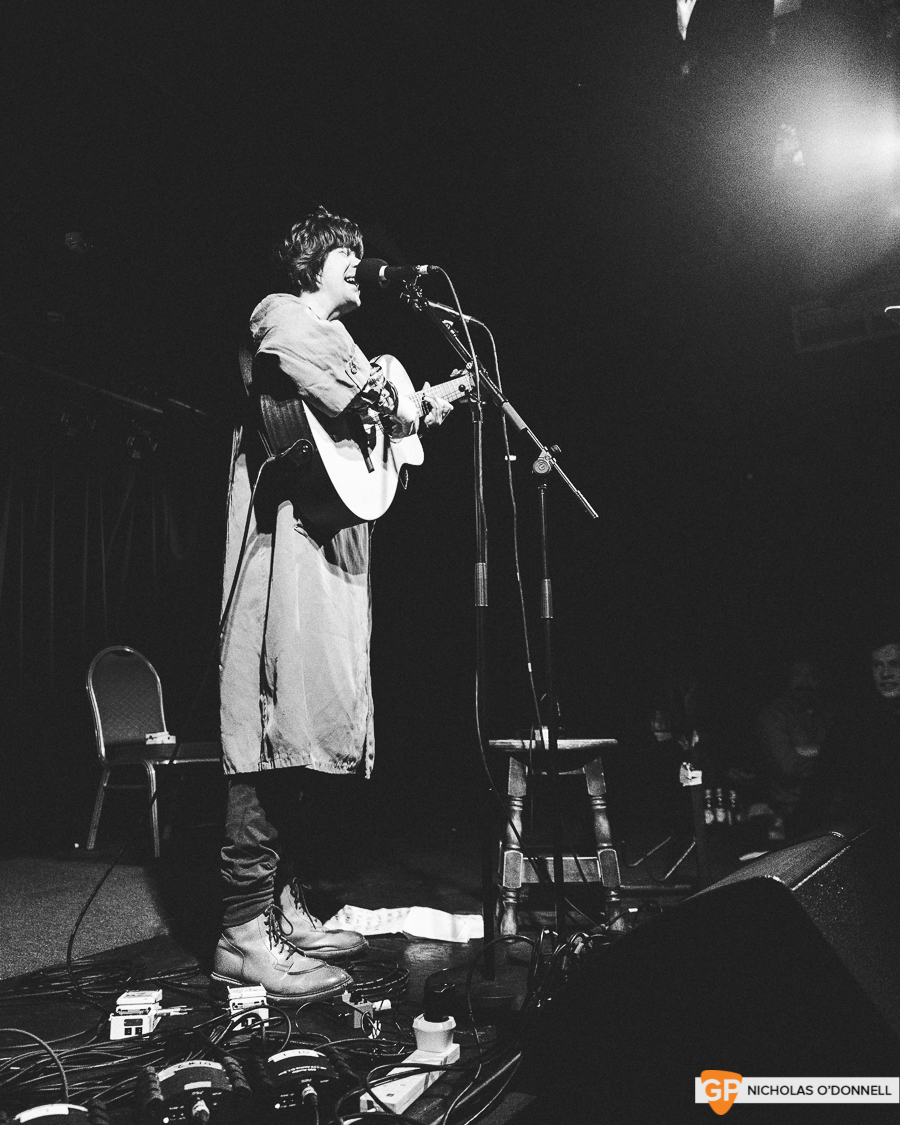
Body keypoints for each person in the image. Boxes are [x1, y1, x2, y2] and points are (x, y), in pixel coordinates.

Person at [212, 208, 452, 1002]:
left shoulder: (353, 351)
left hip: (331, 568)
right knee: (267, 735)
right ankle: (243, 935)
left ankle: (280, 909)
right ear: (315, 264)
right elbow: (302, 356)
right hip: (279, 564)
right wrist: (393, 399)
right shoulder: (283, 313)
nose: (360, 264)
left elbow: (373, 449)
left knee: (306, 745)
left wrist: (420, 409)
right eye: (348, 254)